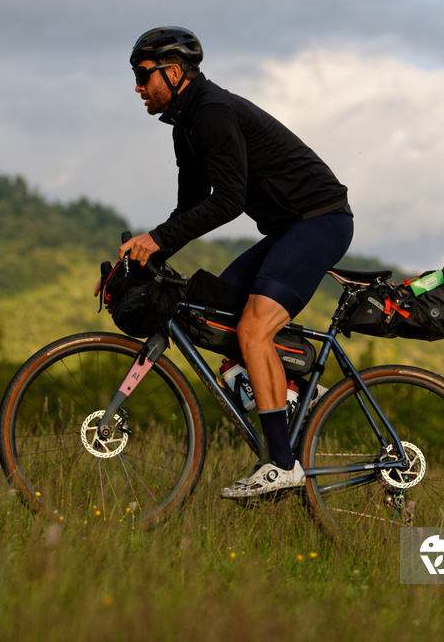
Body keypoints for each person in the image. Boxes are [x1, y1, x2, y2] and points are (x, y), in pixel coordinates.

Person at [120, 27, 353, 499]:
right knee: (218, 320)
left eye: (144, 76)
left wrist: (159, 239)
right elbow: (189, 208)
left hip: (320, 220)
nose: (138, 87)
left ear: (175, 71)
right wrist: (150, 254)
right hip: (289, 229)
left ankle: (282, 464)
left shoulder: (212, 112)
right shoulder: (186, 125)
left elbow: (228, 200)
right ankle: (294, 397)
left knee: (252, 330)